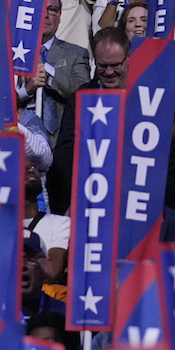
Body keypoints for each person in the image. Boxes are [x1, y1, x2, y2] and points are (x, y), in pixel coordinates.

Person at [48, 27, 131, 214]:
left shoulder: (145, 95)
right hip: (89, 197)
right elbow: (65, 155)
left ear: (129, 57)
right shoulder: (81, 98)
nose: (109, 72)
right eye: (103, 65)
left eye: (116, 64)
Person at [16, 0, 91, 145]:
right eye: (40, 9)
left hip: (61, 141)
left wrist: (48, 71)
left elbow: (82, 93)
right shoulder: (11, 53)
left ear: (59, 15)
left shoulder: (76, 53)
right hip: (20, 139)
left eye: (52, 9)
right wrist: (27, 90)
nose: (45, 15)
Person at [23, 162, 70, 285]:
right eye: (21, 166)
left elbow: (52, 271)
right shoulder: (0, 224)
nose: (31, 168)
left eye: (34, 166)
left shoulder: (60, 223)